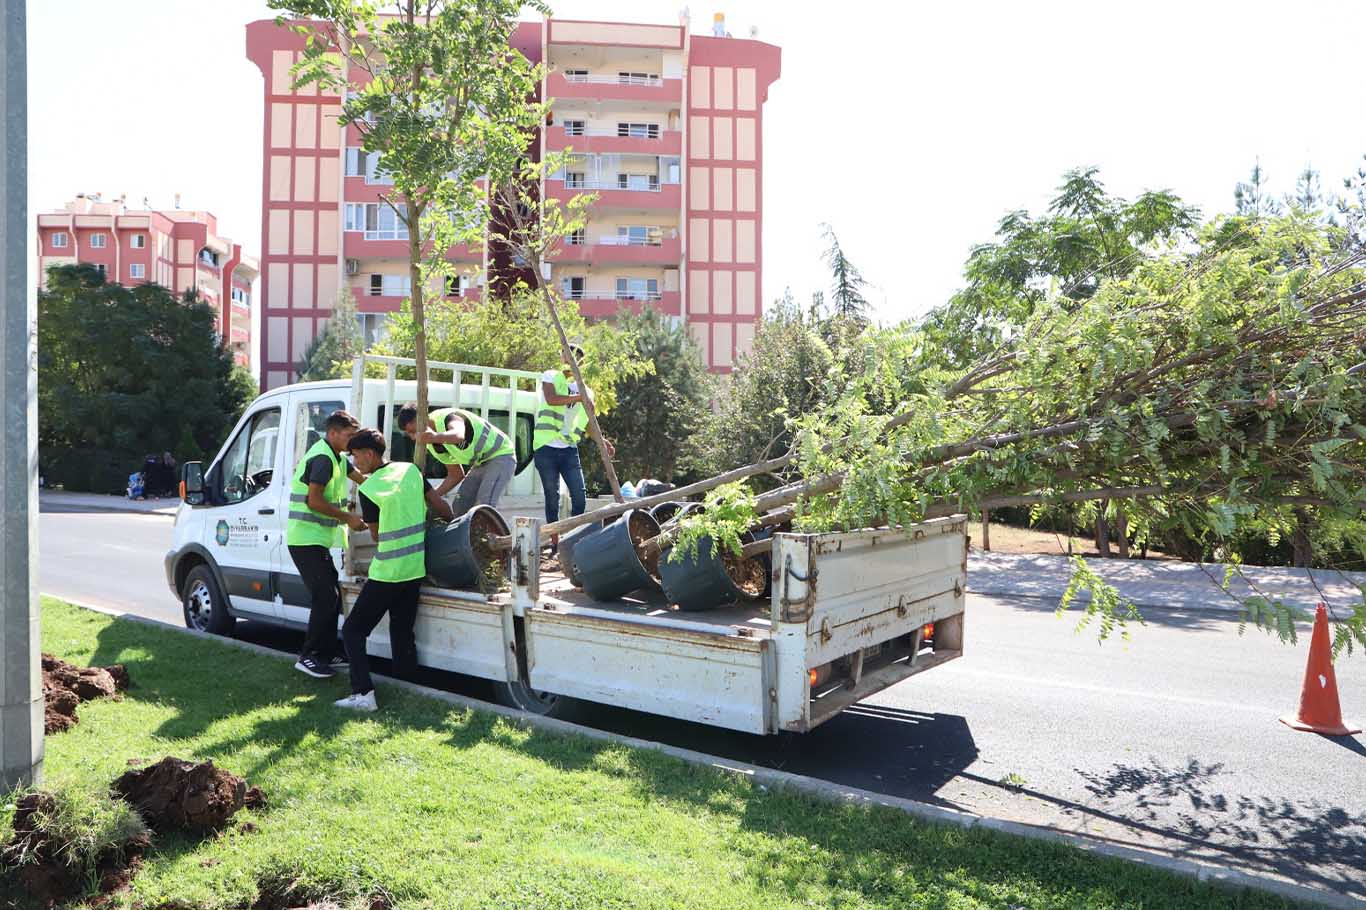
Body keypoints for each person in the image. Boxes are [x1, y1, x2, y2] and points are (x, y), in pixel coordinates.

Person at [336, 428, 453, 712]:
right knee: (402, 632)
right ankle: (407, 686)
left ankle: (363, 694)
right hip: (414, 569)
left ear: (369, 454)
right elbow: (439, 505)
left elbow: (376, 536)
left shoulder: (369, 489)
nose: (355, 464)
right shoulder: (410, 470)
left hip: (388, 572)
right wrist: (455, 525)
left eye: (356, 457)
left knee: (352, 631)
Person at [287, 410, 368, 680]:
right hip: (304, 539)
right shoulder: (322, 458)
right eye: (349, 436)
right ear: (333, 433)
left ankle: (327, 651)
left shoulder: (338, 458)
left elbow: (364, 480)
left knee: (332, 595)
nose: (352, 442)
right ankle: (308, 656)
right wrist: (349, 518)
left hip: (315, 540)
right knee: (326, 597)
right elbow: (314, 501)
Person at [533, 346, 614, 551]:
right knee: (552, 496)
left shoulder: (586, 391)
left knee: (579, 497)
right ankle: (555, 544)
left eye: (576, 357)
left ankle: (570, 541)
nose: (571, 359)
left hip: (569, 449)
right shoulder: (551, 376)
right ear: (561, 357)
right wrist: (579, 399)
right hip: (546, 447)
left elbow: (587, 422)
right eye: (567, 355)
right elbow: (552, 399)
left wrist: (601, 441)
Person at [397, 403, 516, 517]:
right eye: (409, 435)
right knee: (460, 506)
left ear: (422, 419)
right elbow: (456, 475)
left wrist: (434, 437)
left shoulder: (448, 417)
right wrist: (430, 498)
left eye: (413, 432)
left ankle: (490, 537)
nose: (413, 438)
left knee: (484, 506)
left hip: (502, 455)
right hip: (480, 463)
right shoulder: (432, 444)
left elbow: (458, 435)